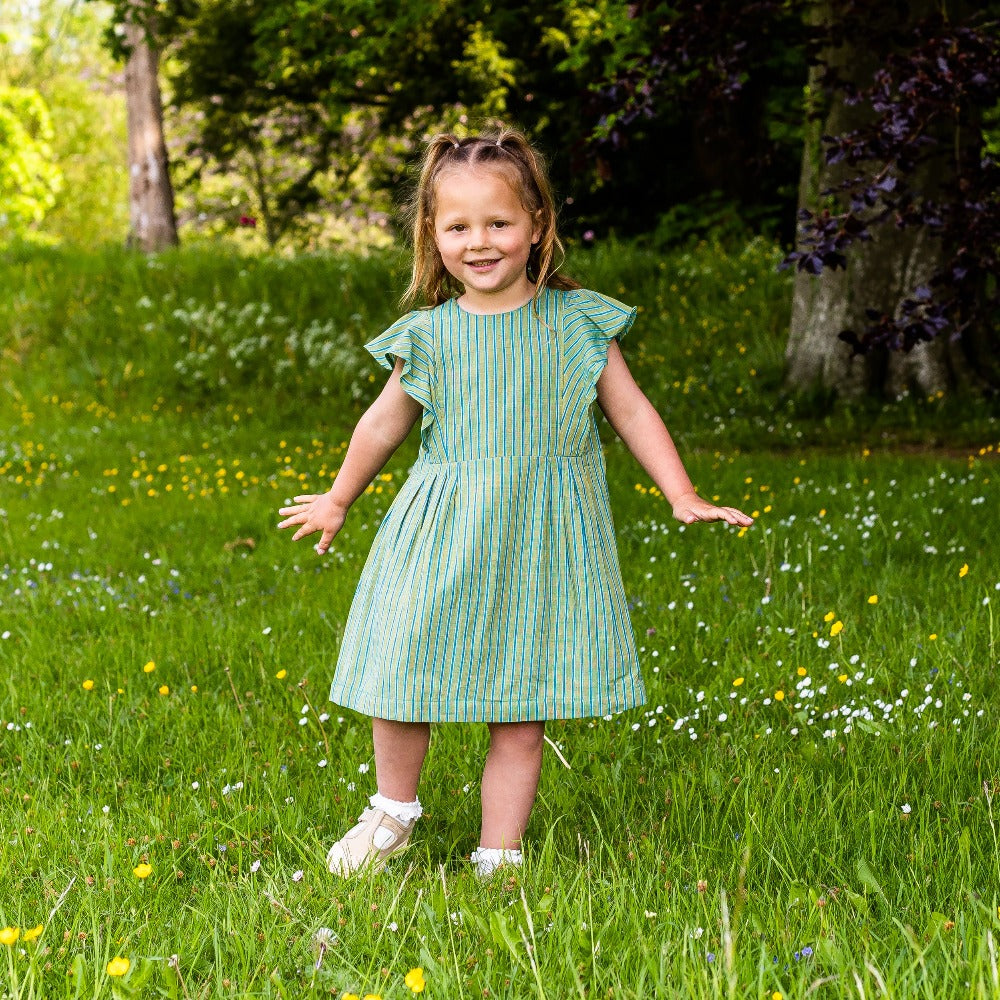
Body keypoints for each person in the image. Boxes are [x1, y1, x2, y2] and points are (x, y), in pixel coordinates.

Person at [277, 124, 753, 879]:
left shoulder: (578, 324)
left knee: (520, 704)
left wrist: (681, 490)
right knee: (402, 672)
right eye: (458, 226)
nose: (480, 241)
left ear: (537, 227)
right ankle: (394, 812)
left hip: (542, 536)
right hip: (444, 532)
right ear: (433, 238)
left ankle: (499, 855)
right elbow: (382, 423)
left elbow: (630, 410)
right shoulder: (428, 336)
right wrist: (339, 497)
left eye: (499, 222)